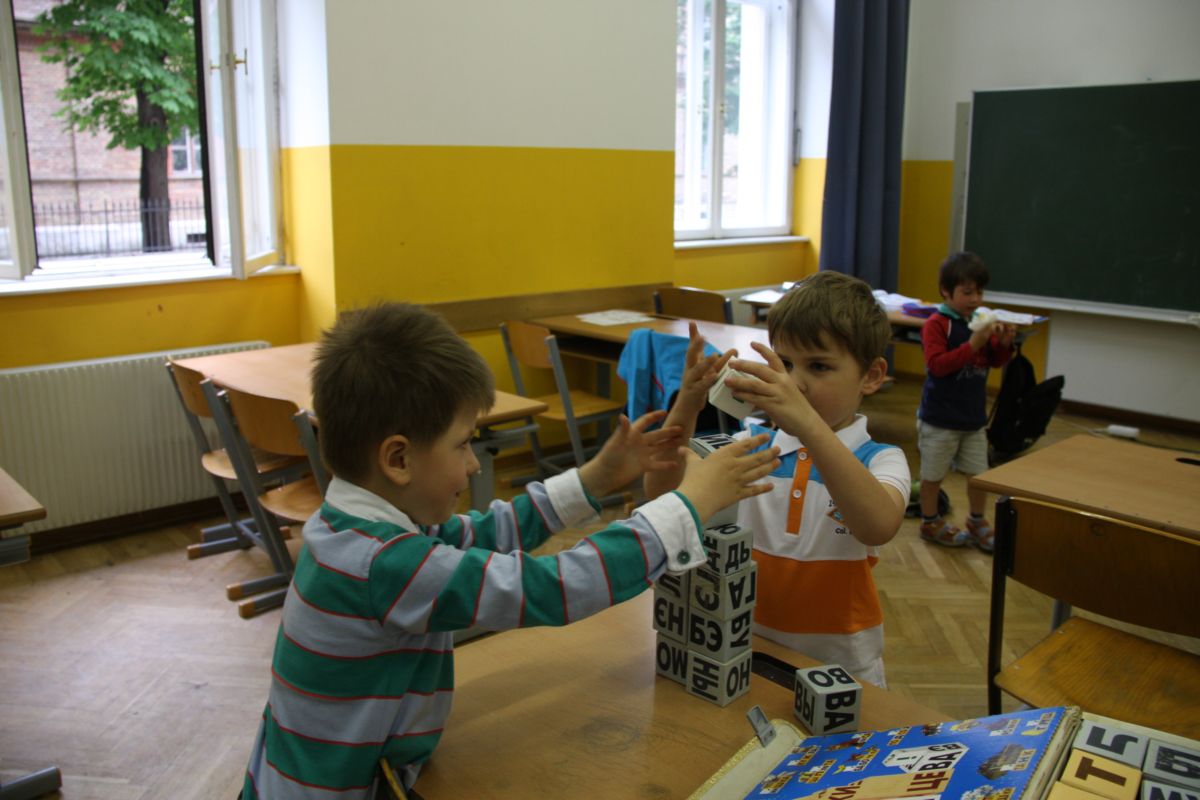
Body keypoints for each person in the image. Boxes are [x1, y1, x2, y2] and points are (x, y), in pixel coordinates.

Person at [241, 302, 779, 799]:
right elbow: (554, 587)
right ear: (398, 460)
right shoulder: (383, 564)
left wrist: (596, 477)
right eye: (462, 444)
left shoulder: (353, 527)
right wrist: (689, 505)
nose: (474, 464)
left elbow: (486, 532)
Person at [646, 271, 910, 688]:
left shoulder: (881, 459)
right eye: (784, 364)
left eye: (818, 366)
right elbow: (663, 495)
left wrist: (807, 423)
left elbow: (878, 525)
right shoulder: (752, 444)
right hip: (747, 649)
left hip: (842, 666)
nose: (794, 383)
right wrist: (687, 406)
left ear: (872, 376)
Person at [916, 251, 1016, 552]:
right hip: (939, 418)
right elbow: (937, 365)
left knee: (979, 475)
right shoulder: (937, 324)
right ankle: (930, 520)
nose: (975, 299)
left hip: (973, 418)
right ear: (946, 292)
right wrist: (973, 344)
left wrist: (1004, 345)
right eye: (967, 292)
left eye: (979, 292)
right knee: (932, 475)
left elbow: (993, 361)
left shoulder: (978, 322)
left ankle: (976, 520)